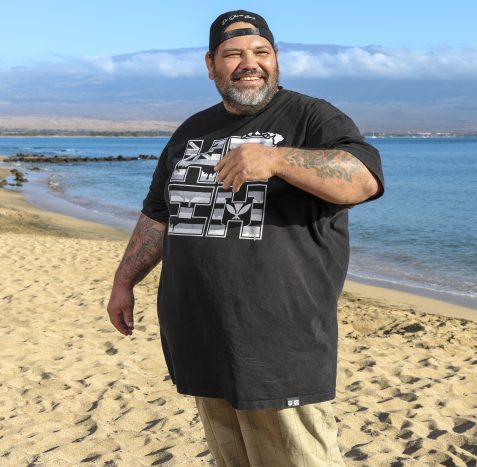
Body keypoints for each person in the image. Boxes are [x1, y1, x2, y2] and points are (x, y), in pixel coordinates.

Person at [107, 9, 384, 466]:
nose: (249, 63)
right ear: (210, 65)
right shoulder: (191, 131)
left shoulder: (311, 117)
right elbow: (159, 215)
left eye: (261, 52)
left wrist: (275, 160)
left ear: (276, 59)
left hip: (278, 346)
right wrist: (124, 281)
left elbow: (362, 179)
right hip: (202, 338)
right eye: (233, 54)